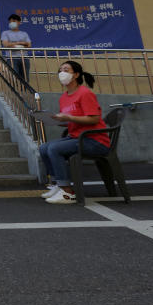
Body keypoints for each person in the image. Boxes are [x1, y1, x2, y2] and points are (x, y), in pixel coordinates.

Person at [39, 61, 109, 205]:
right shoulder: (63, 97)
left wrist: (69, 117)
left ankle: (68, 192)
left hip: (94, 140)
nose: (62, 73)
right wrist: (57, 121)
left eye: (66, 69)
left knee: (54, 148)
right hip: (76, 137)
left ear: (76, 74)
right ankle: (58, 184)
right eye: (60, 70)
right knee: (44, 148)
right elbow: (73, 120)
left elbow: (94, 118)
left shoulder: (85, 93)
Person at [0, 13, 32, 80]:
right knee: (13, 78)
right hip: (11, 58)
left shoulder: (24, 34)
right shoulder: (5, 33)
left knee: (25, 79)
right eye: (10, 22)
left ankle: (24, 90)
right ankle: (15, 91)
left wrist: (13, 44)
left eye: (14, 21)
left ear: (19, 22)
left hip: (24, 58)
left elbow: (29, 45)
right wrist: (21, 43)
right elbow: (5, 44)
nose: (12, 23)